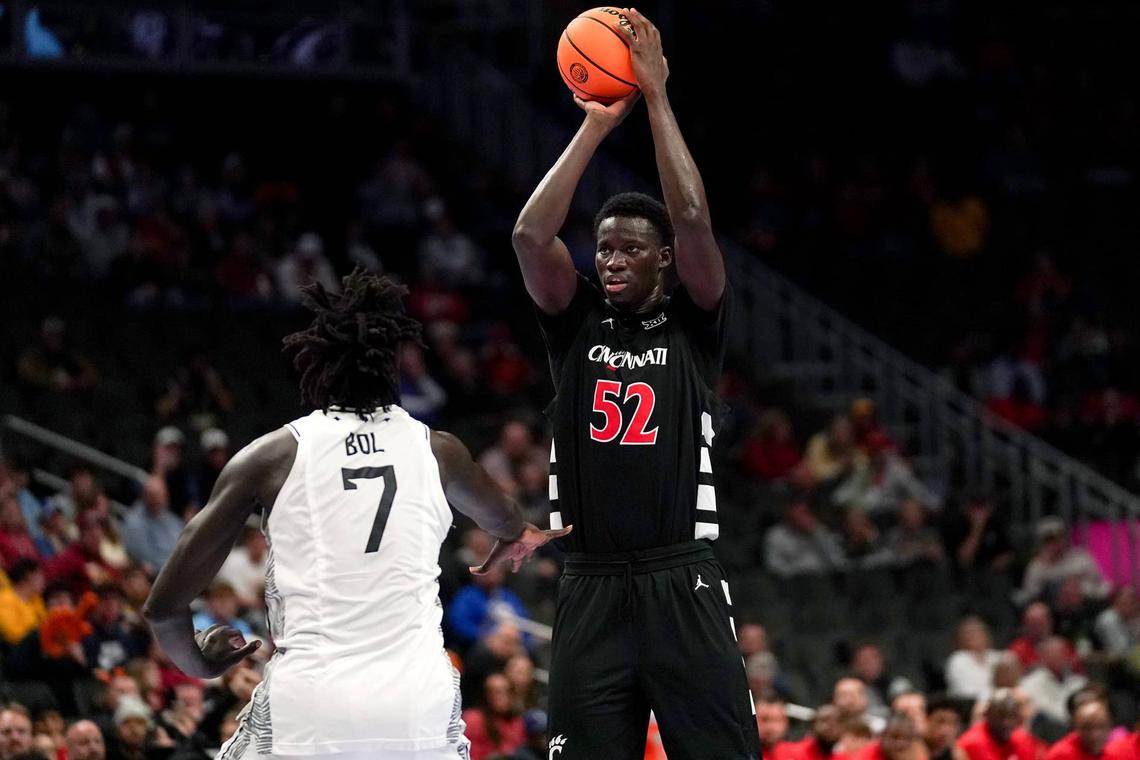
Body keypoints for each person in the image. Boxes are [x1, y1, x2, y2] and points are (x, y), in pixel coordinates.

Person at [143, 270, 567, 760]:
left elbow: (163, 609)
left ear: (316, 369)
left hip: (313, 698)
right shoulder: (439, 451)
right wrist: (516, 536)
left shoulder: (270, 457)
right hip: (418, 702)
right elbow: (508, 519)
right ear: (393, 367)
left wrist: (201, 663)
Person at [510, 9, 759, 757]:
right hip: (587, 587)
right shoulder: (574, 321)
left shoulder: (694, 321)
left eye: (628, 250)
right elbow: (529, 236)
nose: (610, 260)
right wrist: (592, 128)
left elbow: (691, 218)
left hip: (679, 580)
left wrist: (655, 97)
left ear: (661, 261)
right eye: (603, 249)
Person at [956, 691, 1037, 760]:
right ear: (987, 716)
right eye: (1000, 716)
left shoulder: (1022, 739)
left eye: (1011, 716)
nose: (1006, 722)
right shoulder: (972, 742)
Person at [1045, 701, 1112, 760]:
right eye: (1087, 728)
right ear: (1076, 727)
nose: (1095, 735)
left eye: (1101, 726)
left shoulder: (1109, 756)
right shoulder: (1061, 755)